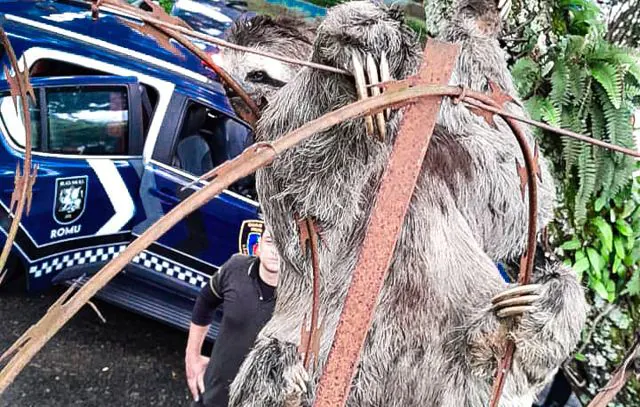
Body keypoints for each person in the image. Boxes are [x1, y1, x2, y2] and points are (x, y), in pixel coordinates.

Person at [185, 225, 280, 407]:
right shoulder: (236, 268)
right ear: (258, 246)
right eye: (270, 241)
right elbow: (206, 301)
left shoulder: (301, 298)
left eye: (283, 244)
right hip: (211, 398)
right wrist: (192, 356)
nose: (276, 251)